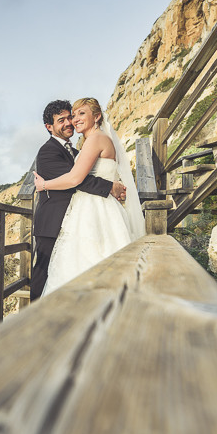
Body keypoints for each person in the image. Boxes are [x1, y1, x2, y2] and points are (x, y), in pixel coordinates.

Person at [33, 97, 146, 296]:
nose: (70, 122)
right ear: (49, 127)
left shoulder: (88, 143)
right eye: (63, 120)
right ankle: (33, 320)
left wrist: (44, 184)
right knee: (43, 275)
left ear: (97, 116)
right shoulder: (47, 152)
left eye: (73, 116)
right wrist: (110, 186)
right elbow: (79, 179)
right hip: (53, 221)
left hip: (88, 214)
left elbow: (77, 177)